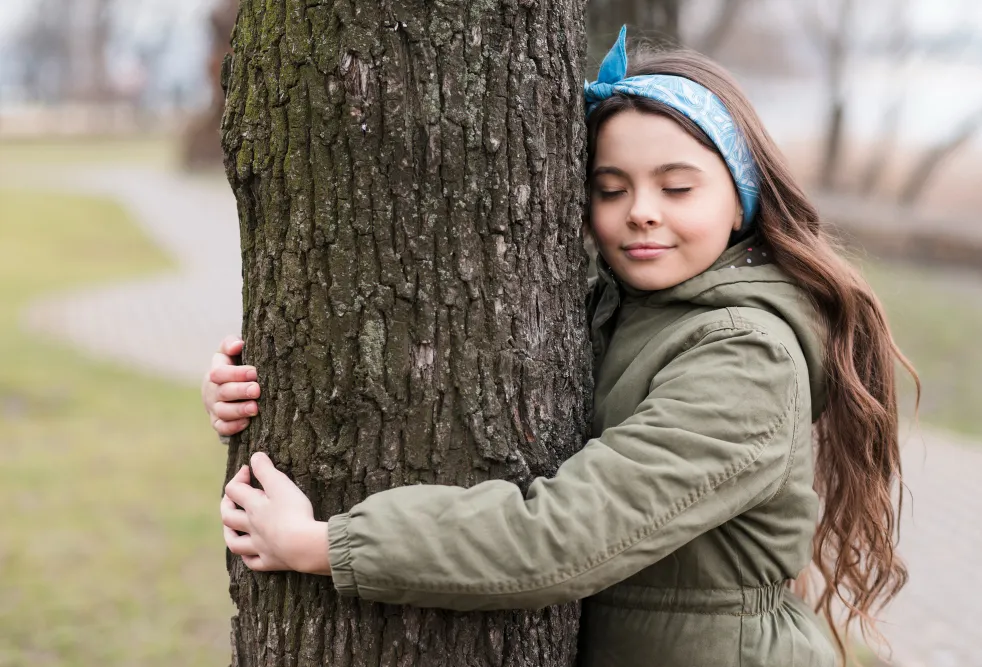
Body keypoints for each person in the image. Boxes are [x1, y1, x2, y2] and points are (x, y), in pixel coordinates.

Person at [203, 27, 915, 667]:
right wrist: (251, 390)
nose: (641, 209)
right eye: (611, 188)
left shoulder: (745, 357)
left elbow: (563, 535)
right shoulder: (619, 308)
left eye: (677, 187)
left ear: (741, 203)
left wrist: (328, 544)